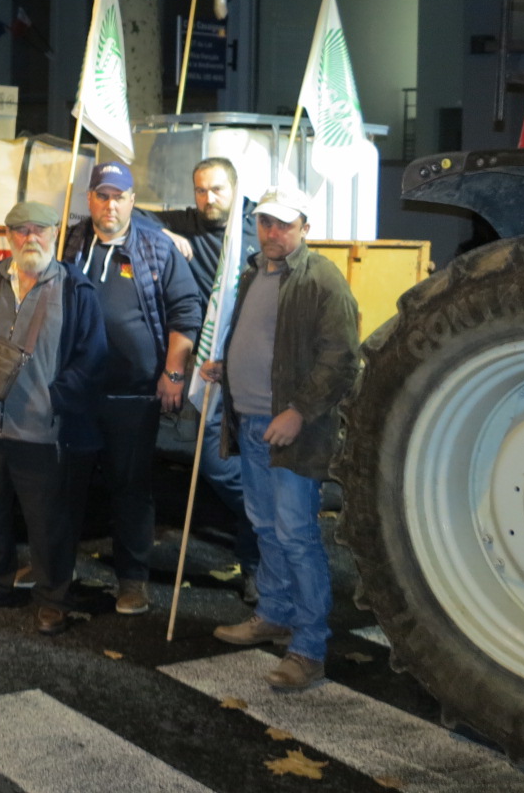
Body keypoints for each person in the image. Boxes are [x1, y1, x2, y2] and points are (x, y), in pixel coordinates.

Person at [204, 187, 359, 691]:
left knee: (295, 533)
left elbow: (340, 359)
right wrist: (226, 369)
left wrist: (298, 410)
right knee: (266, 528)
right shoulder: (255, 273)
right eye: (266, 222)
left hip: (293, 432)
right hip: (250, 423)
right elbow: (268, 346)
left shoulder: (322, 279)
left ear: (305, 228)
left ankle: (309, 648)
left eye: (284, 224)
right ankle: (274, 613)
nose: (273, 232)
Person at [0, 202, 107, 633]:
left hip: (42, 430)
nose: (29, 237)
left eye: (39, 229)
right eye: (20, 230)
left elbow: (93, 358)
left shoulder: (76, 289)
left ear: (55, 233)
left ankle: (53, 598)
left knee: (47, 522)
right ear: (8, 235)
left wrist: (56, 399)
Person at [60, 160, 203, 616]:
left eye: (119, 196)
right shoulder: (75, 242)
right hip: (78, 393)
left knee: (130, 489)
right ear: (90, 199)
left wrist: (174, 374)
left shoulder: (157, 250)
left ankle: (133, 581)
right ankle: (54, 570)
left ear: (132, 201)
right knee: (65, 485)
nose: (110, 204)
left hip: (133, 394)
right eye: (102, 195)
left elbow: (186, 313)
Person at [147, 156, 262, 602]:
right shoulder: (189, 223)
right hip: (210, 370)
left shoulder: (258, 227)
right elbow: (131, 213)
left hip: (254, 370)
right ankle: (263, 513)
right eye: (200, 190)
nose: (208, 198)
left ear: (236, 189)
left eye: (216, 189)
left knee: (252, 461)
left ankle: (256, 568)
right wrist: (166, 233)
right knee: (214, 459)